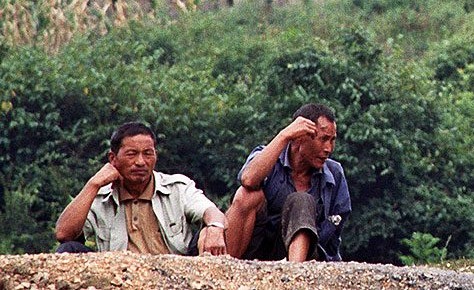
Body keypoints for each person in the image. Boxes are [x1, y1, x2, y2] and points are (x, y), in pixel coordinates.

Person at [54, 121, 228, 255]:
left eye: (147, 153)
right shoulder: (100, 196)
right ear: (113, 158)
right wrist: (93, 184)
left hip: (176, 278)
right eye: (132, 154)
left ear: (155, 156)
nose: (140, 162)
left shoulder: (177, 188)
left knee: (209, 233)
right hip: (118, 280)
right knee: (69, 249)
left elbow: (211, 211)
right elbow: (63, 234)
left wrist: (214, 227)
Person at [225, 103, 351, 262]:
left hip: (307, 257)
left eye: (332, 140)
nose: (329, 148)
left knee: (301, 200)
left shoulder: (335, 174)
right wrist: (284, 136)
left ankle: (293, 277)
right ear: (300, 137)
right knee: (245, 195)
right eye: (324, 139)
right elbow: (248, 179)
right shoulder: (267, 156)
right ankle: (227, 268)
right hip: (258, 247)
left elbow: (333, 236)